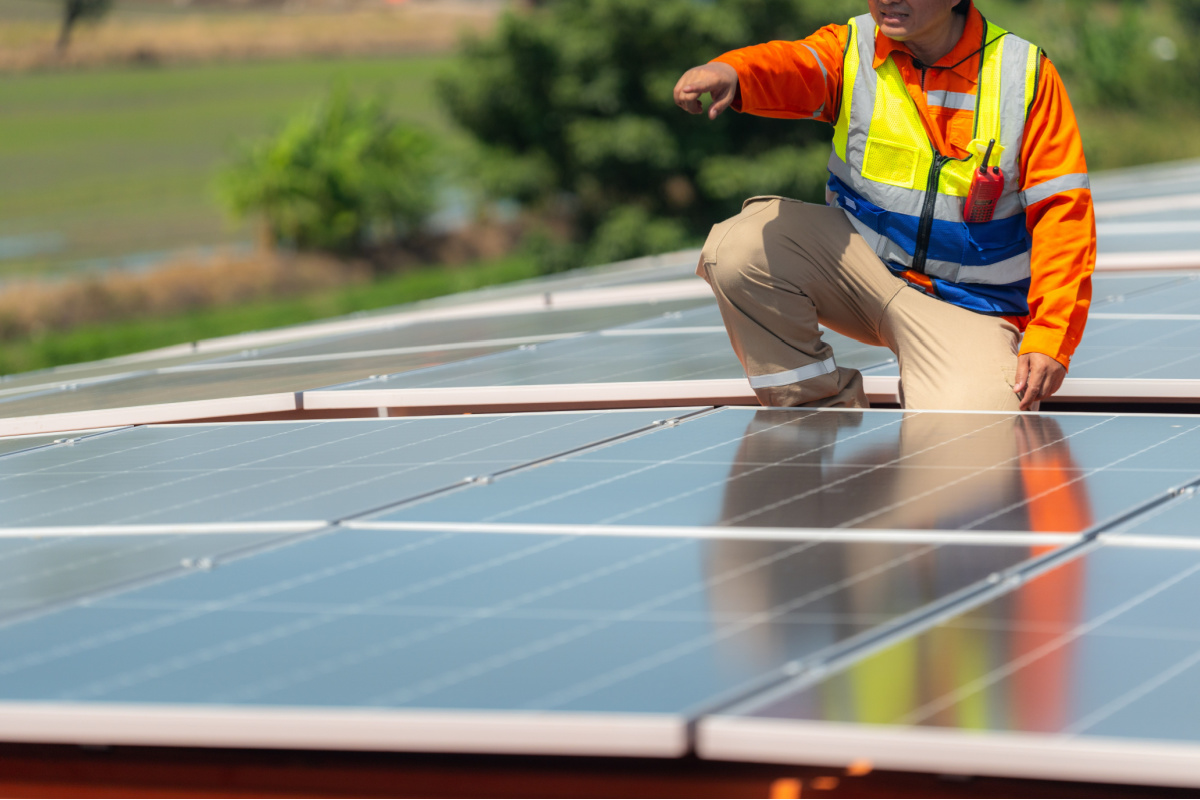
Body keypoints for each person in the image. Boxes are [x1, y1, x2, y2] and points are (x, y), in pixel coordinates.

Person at [672, 0, 1095, 411]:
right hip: (860, 275)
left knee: (978, 437)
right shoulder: (852, 46)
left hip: (970, 306)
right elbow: (795, 63)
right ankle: (817, 416)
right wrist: (733, 71)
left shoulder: (1025, 74)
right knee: (737, 249)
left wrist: (1050, 336)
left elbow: (1063, 216)